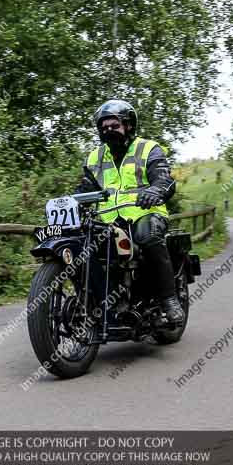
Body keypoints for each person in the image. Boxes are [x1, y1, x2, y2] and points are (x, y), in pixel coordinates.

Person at [74, 99, 184, 326]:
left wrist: (155, 190)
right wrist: (74, 200)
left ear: (129, 125)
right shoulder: (95, 157)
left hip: (146, 213)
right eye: (103, 127)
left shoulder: (148, 149)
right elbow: (86, 187)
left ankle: (169, 299)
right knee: (83, 243)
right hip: (109, 220)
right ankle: (100, 300)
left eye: (114, 125)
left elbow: (164, 179)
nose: (108, 130)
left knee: (147, 236)